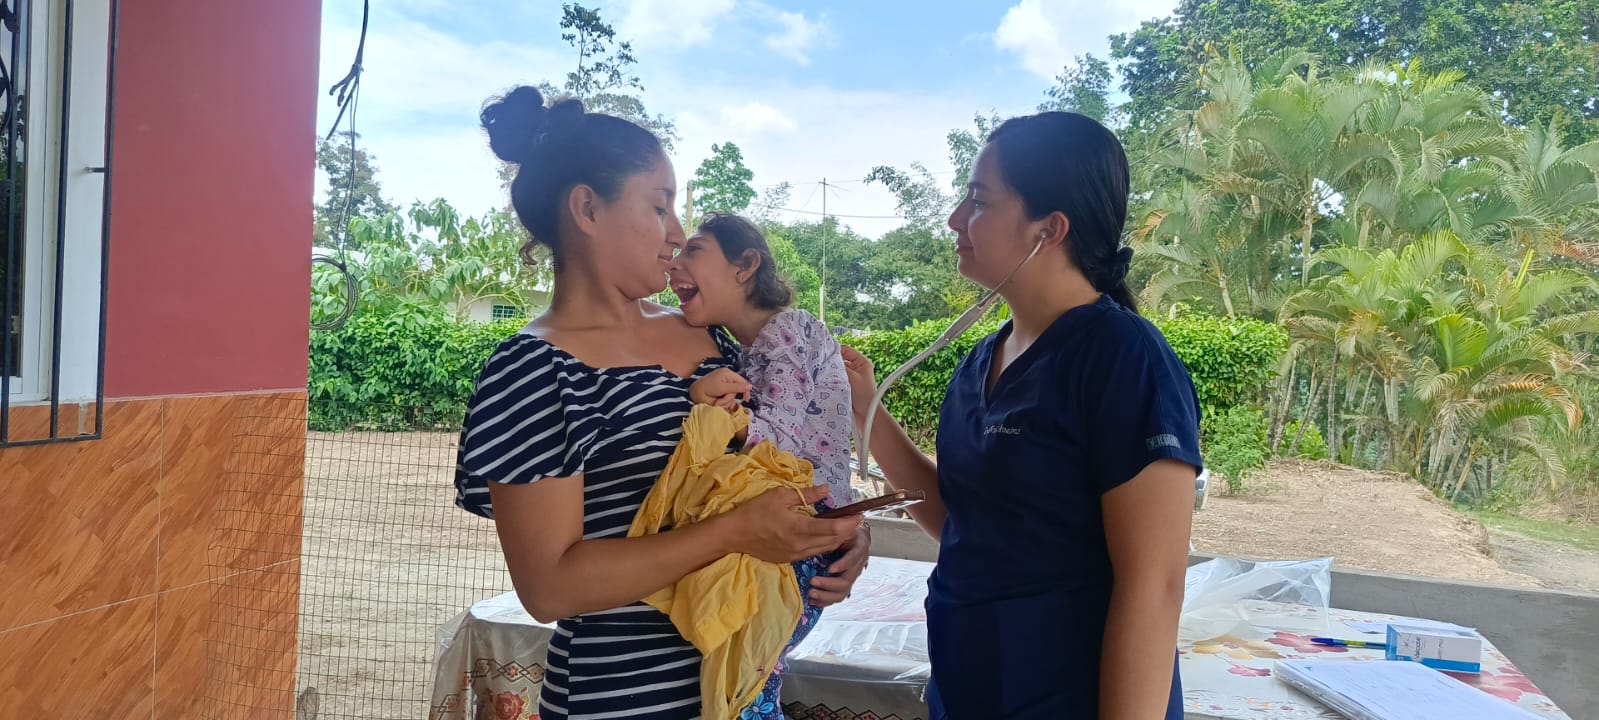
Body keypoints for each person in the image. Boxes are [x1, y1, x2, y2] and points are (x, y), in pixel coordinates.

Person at [453, 85, 869, 720]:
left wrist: (838, 531)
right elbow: (550, 587)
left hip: (746, 689)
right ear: (587, 208)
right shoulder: (532, 370)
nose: (676, 233)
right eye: (659, 205)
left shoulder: (707, 335)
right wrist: (734, 533)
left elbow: (778, 456)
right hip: (622, 701)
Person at [839, 111, 1202, 719]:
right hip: (971, 689)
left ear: (1049, 229)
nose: (955, 218)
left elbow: (1154, 585)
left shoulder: (1122, 358)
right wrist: (862, 406)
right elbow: (962, 520)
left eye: (979, 200)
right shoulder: (981, 361)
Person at [667, 212, 858, 716]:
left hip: (802, 530)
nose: (674, 265)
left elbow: (781, 440)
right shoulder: (745, 346)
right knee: (749, 680)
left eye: (694, 250)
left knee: (748, 684)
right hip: (804, 525)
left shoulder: (787, 330)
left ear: (745, 265)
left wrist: (712, 407)